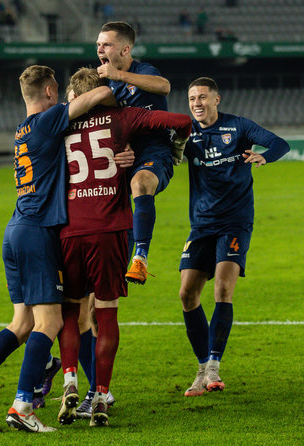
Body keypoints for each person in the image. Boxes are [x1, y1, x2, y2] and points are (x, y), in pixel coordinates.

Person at [0, 65, 116, 433]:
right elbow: (100, 95)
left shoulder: (22, 129)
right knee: (50, 322)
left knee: (21, 324)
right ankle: (23, 404)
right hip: (38, 232)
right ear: (51, 91)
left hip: (15, 229)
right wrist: (106, 81)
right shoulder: (47, 120)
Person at [56, 68, 191, 427]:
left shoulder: (57, 124)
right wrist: (167, 147)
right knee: (107, 313)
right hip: (111, 229)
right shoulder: (123, 117)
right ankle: (101, 395)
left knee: (71, 313)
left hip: (70, 230)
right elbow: (180, 120)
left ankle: (69, 378)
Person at [179, 78, 289, 396]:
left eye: (202, 97)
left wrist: (264, 156)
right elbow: (162, 153)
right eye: (191, 98)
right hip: (201, 224)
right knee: (187, 294)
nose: (196, 103)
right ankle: (202, 369)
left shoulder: (238, 127)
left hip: (235, 222)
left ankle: (213, 366)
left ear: (217, 99)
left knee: (223, 289)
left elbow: (280, 143)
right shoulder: (187, 133)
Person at [96, 21, 181, 285]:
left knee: (141, 183)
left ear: (125, 49)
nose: (100, 49)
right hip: (119, 156)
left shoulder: (142, 71)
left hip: (154, 151)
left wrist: (120, 76)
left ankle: (141, 257)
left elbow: (164, 86)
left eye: (107, 44)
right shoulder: (100, 82)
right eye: (98, 44)